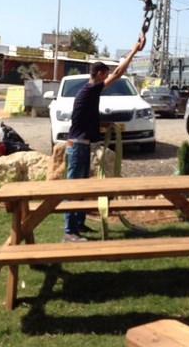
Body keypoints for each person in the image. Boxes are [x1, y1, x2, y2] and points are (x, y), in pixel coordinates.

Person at [62, 32, 146, 242]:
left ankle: (78, 224)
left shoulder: (88, 94)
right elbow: (118, 72)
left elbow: (83, 120)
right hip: (77, 147)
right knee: (74, 189)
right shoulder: (91, 89)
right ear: (100, 74)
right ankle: (69, 231)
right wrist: (134, 50)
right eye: (105, 75)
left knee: (81, 188)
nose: (108, 79)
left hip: (81, 146)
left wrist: (103, 124)